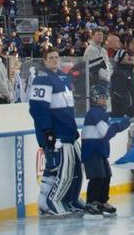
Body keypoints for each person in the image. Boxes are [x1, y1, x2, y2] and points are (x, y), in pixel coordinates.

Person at [29, 47, 83, 216]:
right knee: (56, 168)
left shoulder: (62, 78)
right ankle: (47, 202)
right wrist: (48, 132)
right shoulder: (42, 79)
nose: (54, 60)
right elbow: (38, 109)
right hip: (56, 133)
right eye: (50, 58)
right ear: (44, 61)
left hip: (68, 133)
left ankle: (69, 199)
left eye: (56, 57)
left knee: (72, 170)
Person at [81, 83, 131, 217]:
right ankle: (91, 202)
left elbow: (105, 133)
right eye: (100, 97)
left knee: (106, 176)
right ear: (94, 99)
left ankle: (102, 201)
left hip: (99, 151)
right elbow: (106, 133)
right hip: (92, 152)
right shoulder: (95, 113)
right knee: (97, 178)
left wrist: (119, 125)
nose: (103, 100)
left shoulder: (101, 113)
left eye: (105, 97)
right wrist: (120, 125)